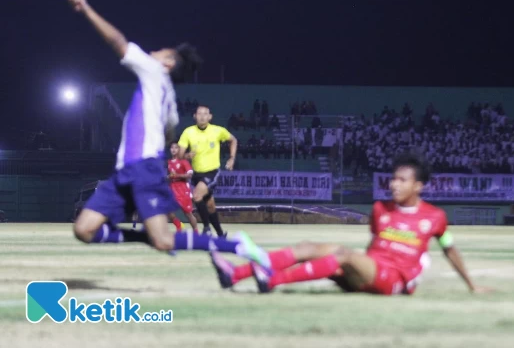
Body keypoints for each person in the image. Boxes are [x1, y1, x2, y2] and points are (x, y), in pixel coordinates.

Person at [65, 0, 271, 268]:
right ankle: (152, 237)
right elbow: (169, 135)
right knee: (84, 229)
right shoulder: (170, 99)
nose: (152, 51)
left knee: (163, 240)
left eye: (159, 51)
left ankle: (234, 245)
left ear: (168, 63)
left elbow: (117, 41)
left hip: (142, 168)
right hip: (128, 171)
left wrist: (85, 8)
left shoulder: (151, 70)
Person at [210, 152, 491, 295]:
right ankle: (236, 274)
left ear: (418, 186)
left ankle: (272, 280)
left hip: (395, 281)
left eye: (402, 180)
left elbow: (449, 249)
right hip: (370, 270)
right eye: (393, 178)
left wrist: (471, 285)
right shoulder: (381, 209)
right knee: (311, 246)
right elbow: (374, 244)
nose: (394, 184)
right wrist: (358, 266)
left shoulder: (434, 217)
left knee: (342, 255)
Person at [178, 105, 237, 237]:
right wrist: (186, 156)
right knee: (210, 205)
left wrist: (232, 158)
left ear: (210, 117)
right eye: (199, 114)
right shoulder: (188, 132)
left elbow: (233, 140)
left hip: (212, 172)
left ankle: (206, 228)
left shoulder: (217, 131)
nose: (202, 116)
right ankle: (221, 234)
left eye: (205, 114)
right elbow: (180, 155)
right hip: (197, 174)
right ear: (194, 116)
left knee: (197, 195)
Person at [167, 142, 199, 233]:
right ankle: (178, 225)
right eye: (172, 147)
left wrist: (176, 175)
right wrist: (169, 177)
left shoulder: (183, 161)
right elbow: (169, 176)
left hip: (183, 189)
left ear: (179, 150)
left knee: (188, 213)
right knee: (168, 211)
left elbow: (189, 175)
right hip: (172, 188)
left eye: (176, 148)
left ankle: (196, 233)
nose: (173, 149)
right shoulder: (169, 162)